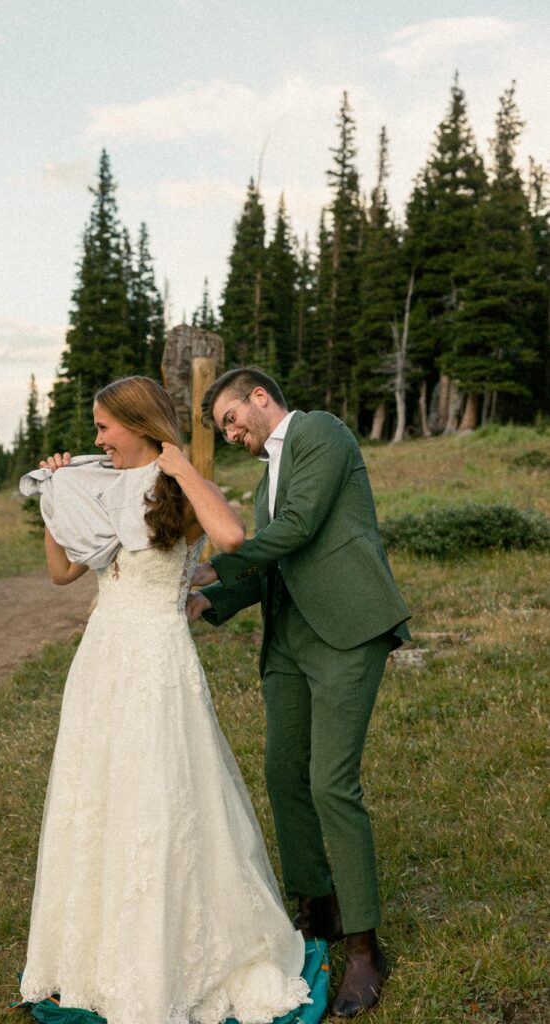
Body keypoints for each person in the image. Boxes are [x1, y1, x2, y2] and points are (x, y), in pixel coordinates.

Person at [18, 376, 310, 1024]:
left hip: (157, 658)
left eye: (105, 428)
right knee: (98, 797)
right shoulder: (97, 482)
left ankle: (172, 954)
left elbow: (231, 538)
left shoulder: (178, 483)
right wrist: (54, 498)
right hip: (102, 660)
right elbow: (64, 572)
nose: (97, 440)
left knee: (162, 798)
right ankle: (97, 956)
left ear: (139, 423)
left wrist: (176, 460)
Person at [187, 367, 411, 1018]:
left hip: (345, 629)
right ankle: (319, 911)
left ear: (261, 398)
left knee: (329, 784)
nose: (229, 432)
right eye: (220, 428)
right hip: (286, 639)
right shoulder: (264, 486)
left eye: (232, 417)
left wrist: (212, 562)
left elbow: (302, 529)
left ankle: (366, 948)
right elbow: (269, 561)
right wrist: (205, 600)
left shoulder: (321, 434)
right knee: (283, 773)